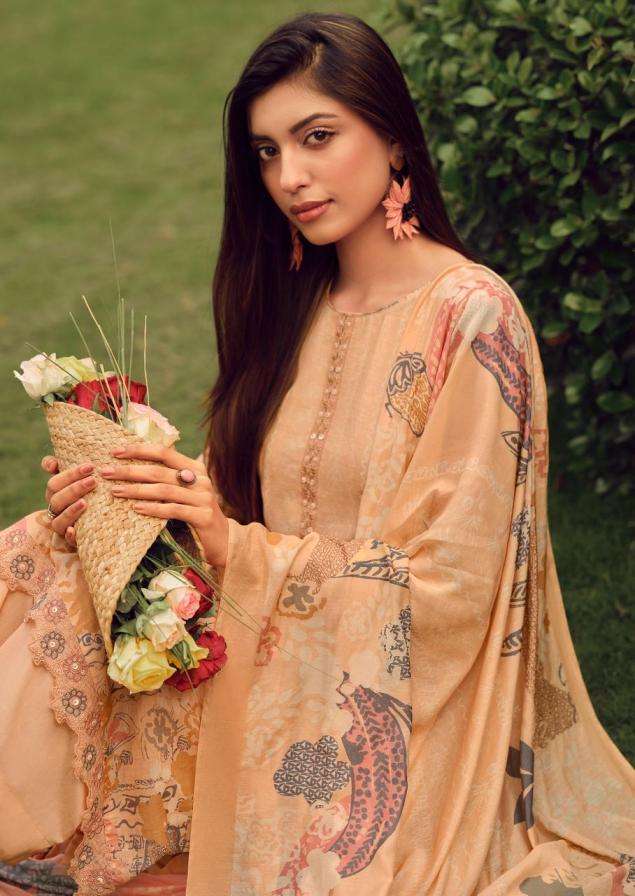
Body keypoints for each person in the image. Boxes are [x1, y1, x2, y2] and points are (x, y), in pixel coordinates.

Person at [1, 11, 633, 896]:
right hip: (261, 648)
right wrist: (134, 497)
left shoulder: (471, 315)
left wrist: (236, 549)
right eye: (266, 152)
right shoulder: (294, 302)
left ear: (394, 139)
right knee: (47, 544)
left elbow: (453, 586)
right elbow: (241, 498)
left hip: (385, 706)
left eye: (317, 137)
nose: (288, 177)